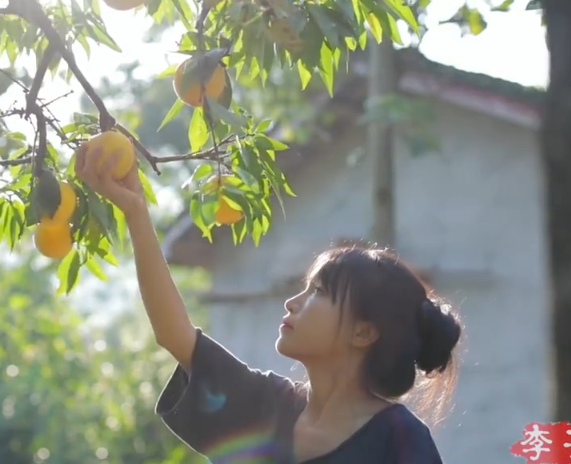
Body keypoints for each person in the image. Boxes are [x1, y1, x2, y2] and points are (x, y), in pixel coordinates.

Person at [75, 144, 463, 464]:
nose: (293, 303)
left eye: (319, 292)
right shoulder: (266, 404)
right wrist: (135, 211)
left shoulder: (400, 441)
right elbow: (173, 333)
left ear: (363, 331)